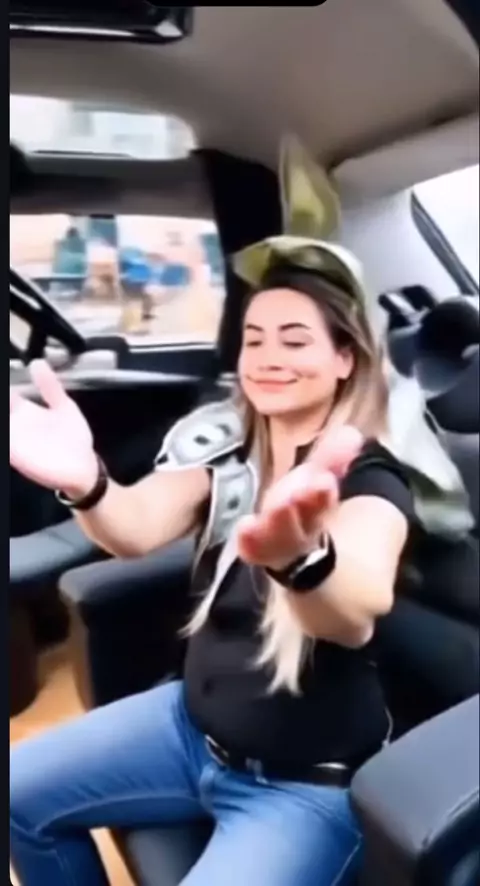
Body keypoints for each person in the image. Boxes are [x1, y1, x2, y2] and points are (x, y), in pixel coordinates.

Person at [9, 138, 469, 886]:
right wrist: (88, 483)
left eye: (295, 339)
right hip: (185, 727)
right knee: (15, 799)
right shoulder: (228, 449)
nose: (267, 356)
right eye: (254, 338)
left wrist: (302, 560)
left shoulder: (370, 474)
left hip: (300, 789)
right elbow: (135, 528)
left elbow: (356, 605)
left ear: (344, 358)